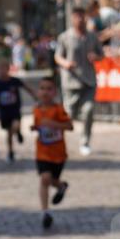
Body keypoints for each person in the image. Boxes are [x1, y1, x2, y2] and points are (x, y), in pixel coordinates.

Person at [54, 7, 102, 156]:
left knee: (88, 111)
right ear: (72, 18)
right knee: (69, 115)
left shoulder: (92, 37)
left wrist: (96, 57)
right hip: (71, 82)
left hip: (88, 81)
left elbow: (101, 54)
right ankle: (59, 141)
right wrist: (65, 63)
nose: (80, 20)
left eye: (82, 16)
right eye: (76, 17)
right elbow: (57, 56)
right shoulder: (65, 37)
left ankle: (85, 142)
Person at [31, 76, 73, 229]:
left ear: (55, 92)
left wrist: (54, 124)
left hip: (58, 154)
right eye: (42, 88)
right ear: (38, 92)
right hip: (42, 152)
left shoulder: (58, 109)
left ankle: (61, 186)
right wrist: (35, 128)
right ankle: (45, 212)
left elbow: (69, 126)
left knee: (52, 180)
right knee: (45, 178)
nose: (45, 92)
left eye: (49, 89)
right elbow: (38, 126)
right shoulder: (36, 109)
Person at [0, 55, 36, 161]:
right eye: (0, 69)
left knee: (15, 126)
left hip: (14, 110)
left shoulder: (14, 81)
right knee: (9, 133)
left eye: (4, 68)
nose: (2, 71)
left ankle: (18, 132)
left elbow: (26, 88)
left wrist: (35, 96)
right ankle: (10, 151)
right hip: (4, 112)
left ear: (8, 69)